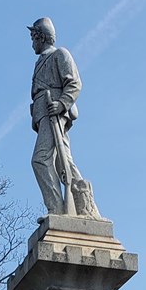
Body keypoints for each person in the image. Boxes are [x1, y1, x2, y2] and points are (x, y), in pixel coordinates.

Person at [28, 17, 96, 216]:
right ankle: (85, 208)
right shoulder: (40, 61)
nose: (32, 43)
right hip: (43, 115)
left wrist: (62, 104)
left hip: (54, 112)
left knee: (40, 160)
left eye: (34, 38)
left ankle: (56, 208)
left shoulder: (60, 54)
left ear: (41, 37)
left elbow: (74, 83)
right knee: (62, 162)